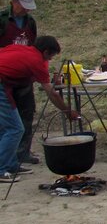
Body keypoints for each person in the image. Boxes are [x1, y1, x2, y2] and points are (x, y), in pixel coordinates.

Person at [0, 36, 79, 183]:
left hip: (5, 83)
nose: (50, 59)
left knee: (6, 128)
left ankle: (10, 165)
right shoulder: (36, 61)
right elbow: (52, 93)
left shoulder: (24, 50)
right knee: (15, 129)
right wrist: (68, 112)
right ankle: (1, 169)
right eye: (51, 55)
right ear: (46, 51)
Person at [0, 0, 40, 165]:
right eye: (23, 5)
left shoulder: (30, 22)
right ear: (14, 2)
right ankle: (6, 157)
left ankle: (23, 153)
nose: (25, 9)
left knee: (27, 113)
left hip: (24, 77)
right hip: (5, 76)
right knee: (7, 119)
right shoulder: (2, 20)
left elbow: (33, 46)